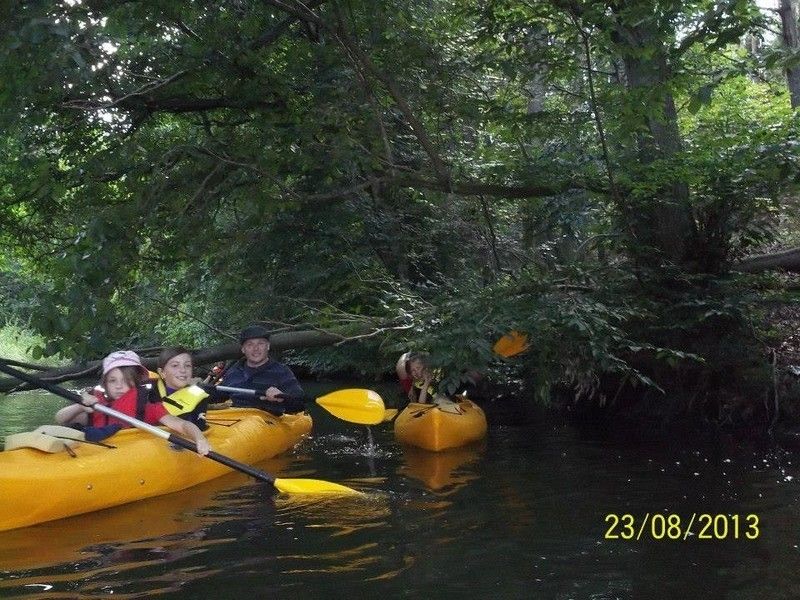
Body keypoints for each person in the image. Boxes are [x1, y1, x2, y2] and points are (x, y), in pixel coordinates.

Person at [55, 350, 211, 454]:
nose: (118, 386)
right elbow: (60, 418)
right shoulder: (98, 406)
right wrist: (79, 406)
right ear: (105, 384)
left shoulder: (149, 408)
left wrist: (199, 438)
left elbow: (183, 425)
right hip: (94, 453)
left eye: (126, 381)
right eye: (112, 380)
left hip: (126, 455)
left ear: (137, 383)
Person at [219, 325, 305, 415]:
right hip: (237, 422)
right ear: (243, 349)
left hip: (269, 422)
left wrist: (283, 397)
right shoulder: (233, 372)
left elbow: (300, 403)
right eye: (250, 344)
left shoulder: (282, 372)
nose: (256, 349)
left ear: (267, 346)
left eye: (260, 343)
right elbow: (217, 395)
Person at [154, 346, 222, 430]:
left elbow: (200, 428)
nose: (183, 370)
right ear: (162, 372)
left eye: (187, 365)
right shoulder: (149, 393)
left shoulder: (199, 396)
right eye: (175, 365)